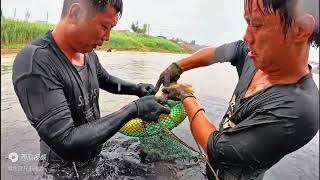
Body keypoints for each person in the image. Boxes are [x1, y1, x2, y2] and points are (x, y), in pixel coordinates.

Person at [156, 0, 319, 179]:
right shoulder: (255, 57)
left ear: (301, 29)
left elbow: (216, 148)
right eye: (247, 22)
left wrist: (186, 96)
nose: (246, 36)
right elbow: (217, 53)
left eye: (257, 24)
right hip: (211, 170)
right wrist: (177, 66)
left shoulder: (300, 111)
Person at [12, 0, 170, 174]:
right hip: (63, 170)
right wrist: (133, 109)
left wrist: (136, 88)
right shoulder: (36, 63)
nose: (108, 37)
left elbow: (106, 80)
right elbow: (66, 140)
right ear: (75, 13)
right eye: (104, 26)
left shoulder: (87, 53)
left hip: (95, 156)